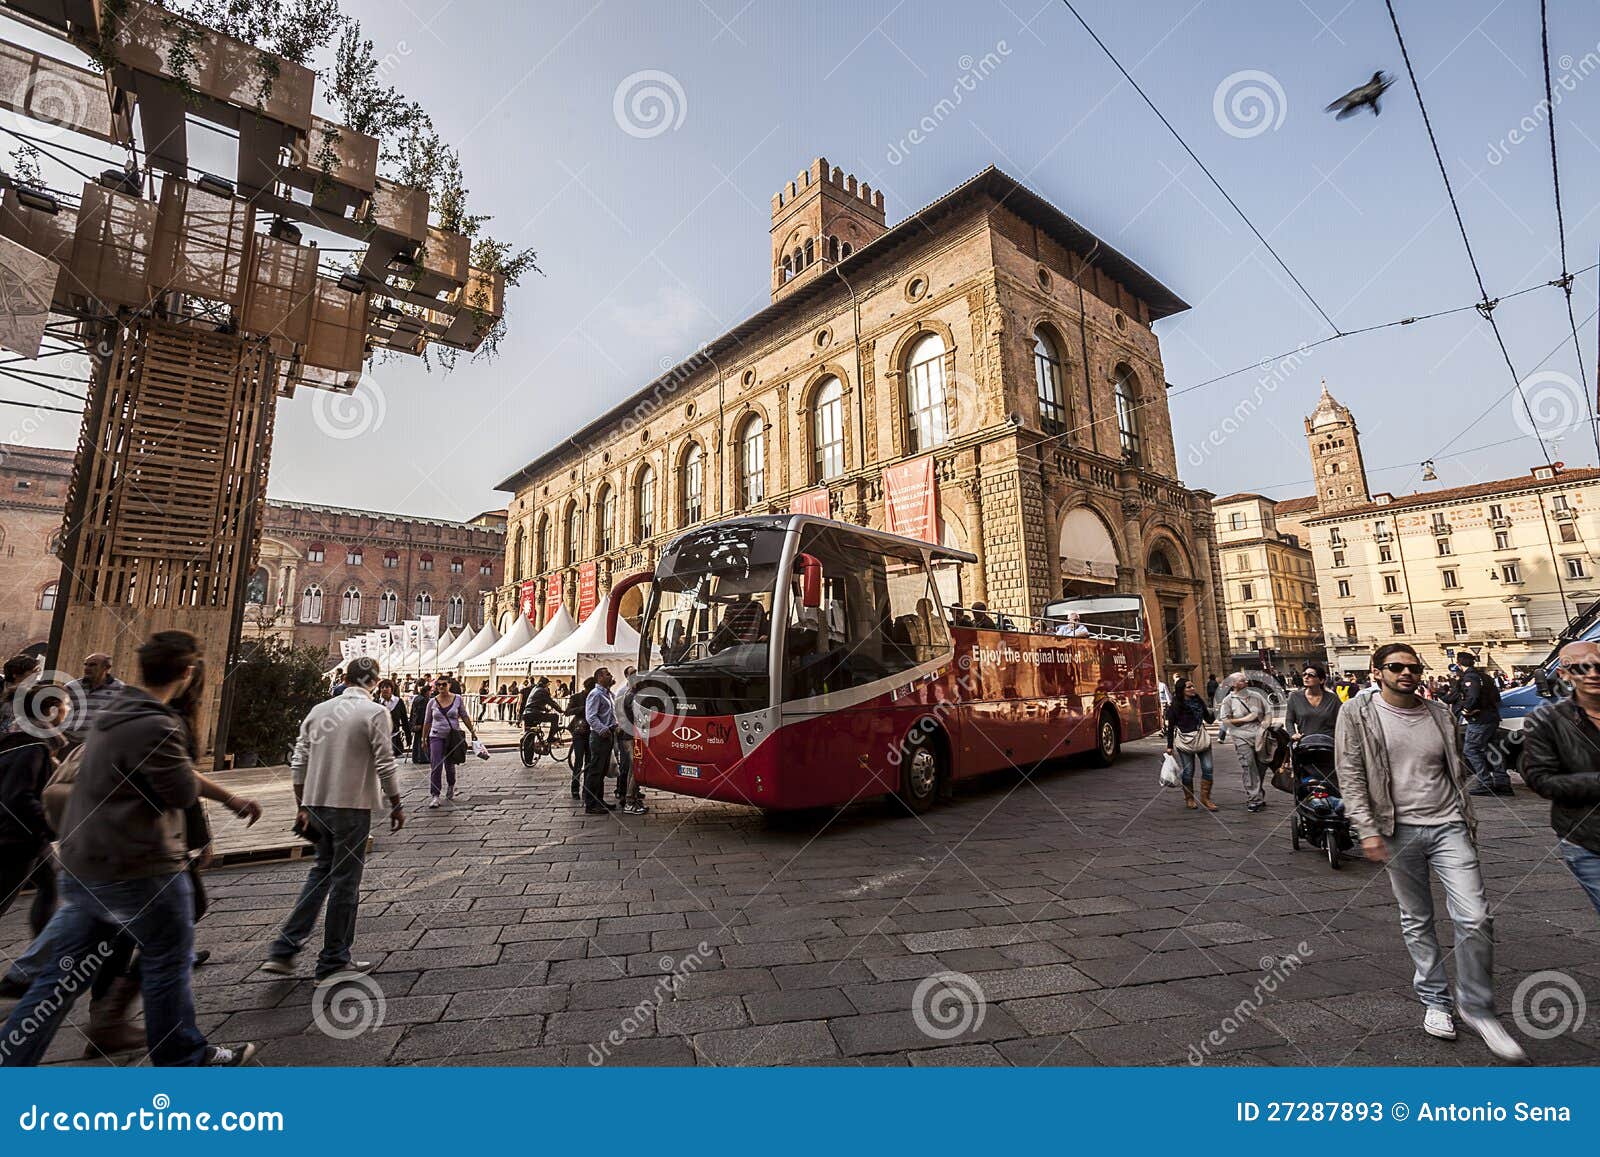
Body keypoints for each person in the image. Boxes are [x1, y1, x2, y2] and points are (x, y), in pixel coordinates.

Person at [0, 631, 260, 1067]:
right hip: (141, 865)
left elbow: (173, 771)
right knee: (168, 959)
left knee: (60, 978)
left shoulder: (116, 712)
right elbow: (178, 789)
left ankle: (12, 1056)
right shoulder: (157, 723)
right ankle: (182, 1055)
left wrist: (229, 798)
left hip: (86, 863)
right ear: (188, 672)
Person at [1336, 642, 1524, 1062]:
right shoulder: (1357, 713)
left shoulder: (1439, 713)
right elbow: (1349, 773)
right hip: (1396, 830)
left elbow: (1454, 765)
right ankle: (1436, 1000)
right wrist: (1365, 828)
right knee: (1417, 917)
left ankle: (1476, 1007)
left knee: (1475, 916)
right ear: (1377, 672)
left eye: (1413, 667)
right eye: (1396, 667)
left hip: (1448, 825)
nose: (1407, 673)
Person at [259, 656, 402, 986]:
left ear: (347, 678)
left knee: (321, 873)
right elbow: (386, 763)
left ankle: (283, 950)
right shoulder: (375, 712)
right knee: (345, 882)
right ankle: (334, 960)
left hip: (315, 806)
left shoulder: (319, 711)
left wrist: (302, 806)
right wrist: (396, 804)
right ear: (375, 682)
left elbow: (298, 763)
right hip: (351, 808)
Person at [1519, 641, 1600, 916]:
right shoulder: (1545, 721)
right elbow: (1541, 779)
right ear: (1564, 674)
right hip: (1589, 840)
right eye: (1580, 667)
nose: (1592, 673)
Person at [0, 684, 68, 932]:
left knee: (53, 883)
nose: (67, 710)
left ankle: (41, 957)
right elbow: (18, 798)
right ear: (51, 711)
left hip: (29, 836)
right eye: (65, 705)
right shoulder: (32, 747)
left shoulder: (20, 740)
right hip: (17, 838)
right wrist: (51, 826)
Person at [1440, 652, 1509, 796]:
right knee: (1492, 749)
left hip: (1479, 719)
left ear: (1459, 664)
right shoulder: (1486, 677)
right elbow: (1496, 697)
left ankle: (1485, 783)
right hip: (1492, 717)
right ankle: (1503, 783)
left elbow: (1473, 696)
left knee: (1470, 750)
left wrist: (1466, 710)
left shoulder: (1469, 678)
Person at [423, 677, 478, 808]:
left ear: (449, 685)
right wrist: (423, 738)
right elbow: (428, 721)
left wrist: (472, 731)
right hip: (436, 736)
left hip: (452, 737)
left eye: (444, 684)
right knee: (436, 765)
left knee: (449, 765)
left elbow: (464, 715)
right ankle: (435, 795)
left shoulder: (457, 699)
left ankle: (451, 785)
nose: (441, 687)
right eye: (438, 685)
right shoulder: (432, 702)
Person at [1164, 676, 1216, 811]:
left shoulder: (1198, 701)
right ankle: (1189, 798)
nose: (1193, 688)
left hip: (1201, 738)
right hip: (1185, 741)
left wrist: (1215, 711)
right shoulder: (1175, 705)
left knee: (1208, 768)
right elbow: (1170, 727)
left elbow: (1208, 720)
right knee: (1188, 771)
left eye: (1193, 686)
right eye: (1189, 687)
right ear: (1182, 690)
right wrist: (1169, 746)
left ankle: (1206, 798)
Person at [1219, 675, 1268, 813]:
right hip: (1241, 737)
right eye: (1242, 680)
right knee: (1249, 765)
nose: (1246, 682)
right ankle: (1254, 798)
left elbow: (1267, 712)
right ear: (1234, 684)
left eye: (1245, 680)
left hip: (1259, 736)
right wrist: (1246, 719)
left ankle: (1258, 792)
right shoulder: (1228, 700)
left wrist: (1264, 723)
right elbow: (1226, 721)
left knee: (1261, 765)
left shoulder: (1256, 696)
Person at [61, 652, 122, 744]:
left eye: (92, 665)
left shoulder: (120, 689)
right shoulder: (72, 687)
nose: (87, 668)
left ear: (106, 667)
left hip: (100, 744)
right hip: (70, 741)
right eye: (86, 665)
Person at [583, 667, 618, 815]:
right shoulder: (596, 694)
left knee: (602, 770)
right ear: (599, 678)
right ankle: (591, 804)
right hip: (600, 737)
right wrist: (603, 730)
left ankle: (599, 800)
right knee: (596, 770)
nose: (610, 676)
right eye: (607, 674)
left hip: (608, 735)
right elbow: (591, 716)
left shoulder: (608, 694)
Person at [613, 666, 646, 814]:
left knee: (634, 768)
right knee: (634, 768)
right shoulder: (631, 696)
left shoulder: (631, 694)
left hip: (630, 735)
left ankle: (632, 798)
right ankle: (629, 801)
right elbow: (638, 718)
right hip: (630, 736)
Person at [1286, 663, 1340, 739]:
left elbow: (1342, 720)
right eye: (1304, 674)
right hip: (1306, 743)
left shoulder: (1332, 698)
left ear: (1321, 680)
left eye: (1311, 675)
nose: (1306, 677)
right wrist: (1293, 734)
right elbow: (1289, 720)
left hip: (1329, 743)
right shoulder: (1294, 697)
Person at [565, 677, 594, 798]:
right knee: (578, 760)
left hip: (591, 731)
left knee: (589, 761)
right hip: (579, 731)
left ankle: (586, 789)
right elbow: (568, 711)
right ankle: (575, 789)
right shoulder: (576, 697)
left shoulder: (594, 697)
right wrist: (583, 709)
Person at [0, 653, 41, 732]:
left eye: (37, 671)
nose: (37, 674)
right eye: (32, 671)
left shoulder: (36, 692)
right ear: (15, 674)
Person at [520, 676, 561, 745]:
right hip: (535, 714)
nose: (547, 686)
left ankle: (527, 748)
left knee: (530, 735)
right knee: (555, 717)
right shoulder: (543, 691)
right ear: (543, 684)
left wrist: (545, 709)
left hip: (526, 714)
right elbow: (551, 702)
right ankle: (551, 738)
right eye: (547, 684)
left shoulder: (534, 689)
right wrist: (561, 710)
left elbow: (535, 703)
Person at [376, 679, 409, 756]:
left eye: (387, 687)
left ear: (391, 689)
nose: (384, 689)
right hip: (380, 737)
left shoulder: (399, 702)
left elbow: (404, 720)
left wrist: (408, 736)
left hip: (395, 736)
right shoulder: (376, 702)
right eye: (382, 687)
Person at [407, 679, 431, 764]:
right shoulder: (423, 700)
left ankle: (416, 757)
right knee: (422, 739)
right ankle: (422, 757)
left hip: (416, 723)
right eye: (429, 692)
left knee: (418, 740)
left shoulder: (417, 698)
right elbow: (421, 713)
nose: (430, 694)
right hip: (420, 723)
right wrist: (420, 724)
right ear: (426, 692)